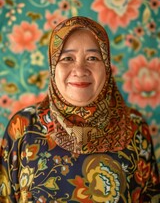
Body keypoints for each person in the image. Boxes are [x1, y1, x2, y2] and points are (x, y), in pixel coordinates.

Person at [0, 16, 160, 202]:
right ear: (53, 67)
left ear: (106, 66)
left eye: (92, 58)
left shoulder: (135, 127)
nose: (80, 69)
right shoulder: (23, 126)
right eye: (67, 58)